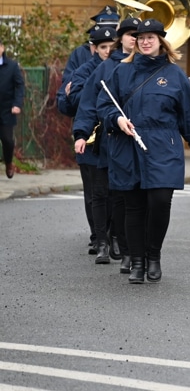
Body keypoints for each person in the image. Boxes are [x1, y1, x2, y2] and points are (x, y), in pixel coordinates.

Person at [98, 19, 190, 284]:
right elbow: (105, 105)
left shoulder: (174, 75)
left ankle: (154, 255)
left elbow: (188, 114)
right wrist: (117, 119)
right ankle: (137, 262)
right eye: (141, 38)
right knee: (134, 207)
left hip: (164, 147)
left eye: (151, 37)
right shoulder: (121, 72)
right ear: (135, 42)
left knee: (160, 202)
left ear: (161, 40)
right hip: (128, 146)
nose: (145, 41)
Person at [72, 17, 140, 272]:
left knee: (122, 196)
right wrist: (81, 133)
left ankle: (121, 242)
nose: (135, 38)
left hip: (133, 143)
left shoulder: (146, 66)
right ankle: (101, 242)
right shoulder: (105, 67)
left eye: (138, 34)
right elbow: (89, 101)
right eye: (130, 34)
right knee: (100, 193)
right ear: (120, 38)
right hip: (105, 140)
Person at [68, 25, 118, 263]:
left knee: (115, 192)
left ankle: (113, 235)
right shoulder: (84, 71)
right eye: (103, 47)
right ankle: (99, 238)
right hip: (91, 140)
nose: (108, 51)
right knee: (96, 192)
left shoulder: (122, 67)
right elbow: (73, 101)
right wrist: (93, 84)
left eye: (111, 46)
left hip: (114, 137)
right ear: (94, 48)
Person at [0, 37, 25, 179]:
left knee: (7, 140)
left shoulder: (12, 66)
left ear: (2, 48)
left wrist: (17, 104)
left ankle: (9, 162)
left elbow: (19, 85)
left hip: (6, 110)